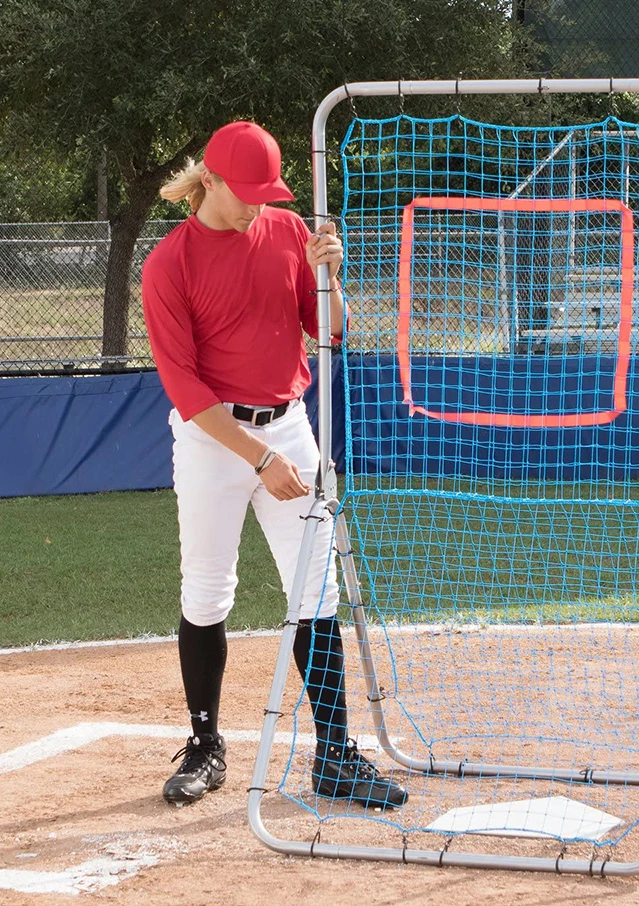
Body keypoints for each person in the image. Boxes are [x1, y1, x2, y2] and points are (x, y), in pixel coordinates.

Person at [141, 120, 406, 810]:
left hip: (288, 426)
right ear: (213, 181)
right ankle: (205, 746)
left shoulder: (288, 233)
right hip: (214, 441)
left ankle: (336, 758)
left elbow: (333, 331)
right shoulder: (170, 263)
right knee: (206, 591)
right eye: (249, 191)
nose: (261, 204)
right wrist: (259, 459)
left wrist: (331, 278)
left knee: (315, 594)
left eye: (269, 191)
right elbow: (187, 392)